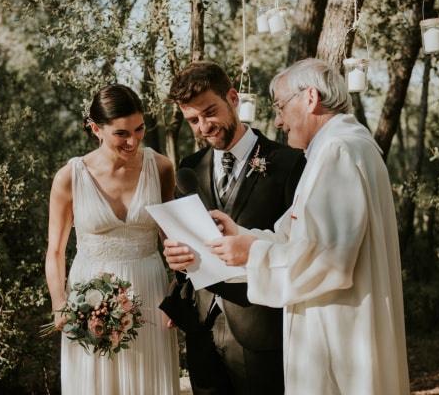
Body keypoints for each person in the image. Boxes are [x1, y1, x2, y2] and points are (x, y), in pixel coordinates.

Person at [204, 58, 410, 394]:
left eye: (281, 106)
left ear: (310, 98)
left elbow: (328, 258)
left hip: (338, 329)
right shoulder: (333, 149)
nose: (278, 120)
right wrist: (239, 235)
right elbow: (295, 236)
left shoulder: (339, 151)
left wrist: (251, 254)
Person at [162, 61, 305, 395]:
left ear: (232, 97)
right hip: (202, 329)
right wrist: (175, 257)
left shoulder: (289, 162)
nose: (203, 127)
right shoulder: (188, 170)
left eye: (210, 112)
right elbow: (186, 242)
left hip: (262, 327)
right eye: (193, 120)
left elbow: (298, 245)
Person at [45, 84, 180, 394]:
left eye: (139, 129)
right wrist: (59, 303)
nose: (133, 140)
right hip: (89, 299)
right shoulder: (70, 177)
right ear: (96, 129)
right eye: (121, 133)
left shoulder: (160, 167)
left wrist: (177, 290)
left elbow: (172, 238)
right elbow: (55, 250)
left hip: (150, 292)